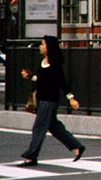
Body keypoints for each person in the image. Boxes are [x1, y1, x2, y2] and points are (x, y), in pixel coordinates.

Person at [19, 35, 85, 166]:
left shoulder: (55, 64)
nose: (41, 46)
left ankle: (31, 156)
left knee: (39, 127)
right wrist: (29, 76)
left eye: (43, 44)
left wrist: (71, 98)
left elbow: (63, 82)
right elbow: (39, 78)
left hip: (49, 100)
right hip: (43, 98)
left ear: (49, 47)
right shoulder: (44, 62)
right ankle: (77, 146)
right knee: (54, 126)